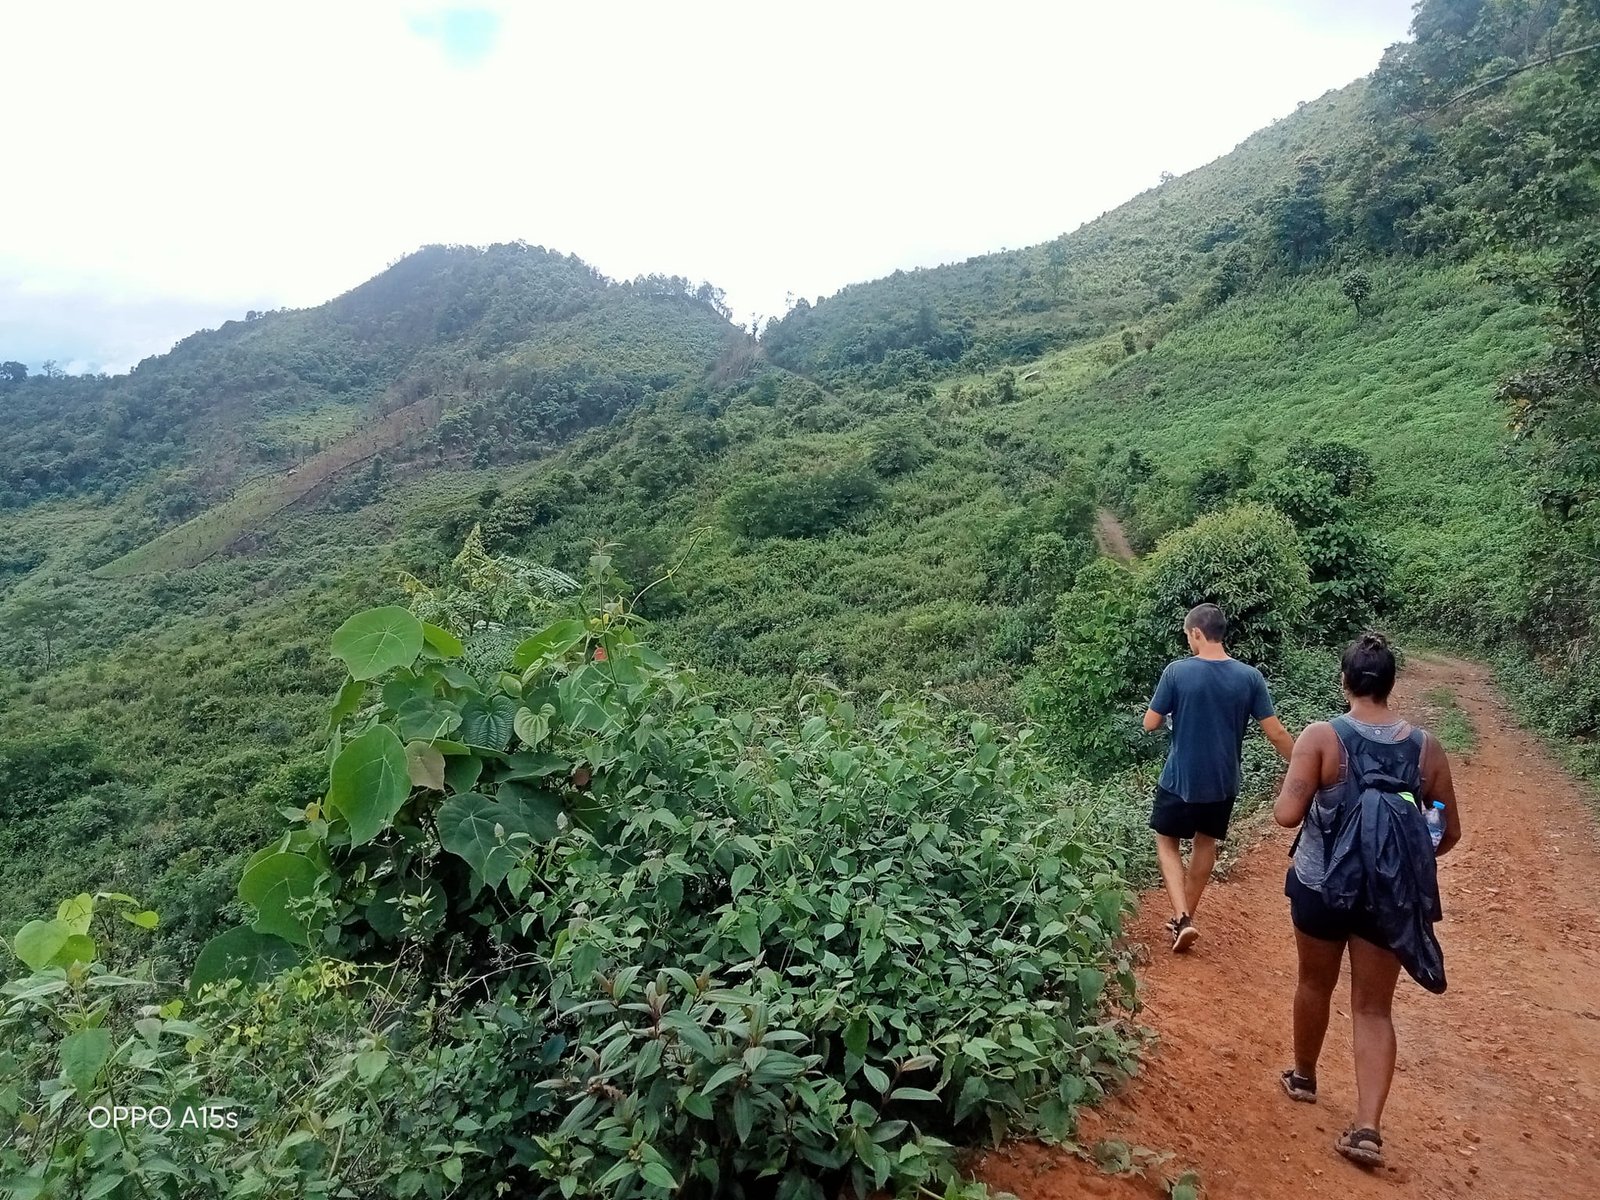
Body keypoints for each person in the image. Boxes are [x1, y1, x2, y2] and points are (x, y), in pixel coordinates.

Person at [1272, 632, 1461, 1170]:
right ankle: (1367, 1129)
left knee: (1313, 981)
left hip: (1320, 885)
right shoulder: (1425, 748)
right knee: (1374, 1008)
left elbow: (1287, 816)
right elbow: (1447, 832)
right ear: (1391, 685)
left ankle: (1304, 1076)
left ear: (1345, 681)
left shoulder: (1322, 737)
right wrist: (1397, 859)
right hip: (1388, 899)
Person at [1143, 603, 1294, 952]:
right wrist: (1300, 764)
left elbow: (1150, 722)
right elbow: (1275, 732)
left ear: (1196, 632)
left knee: (1167, 842)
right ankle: (1184, 919)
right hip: (1224, 781)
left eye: (1188, 636)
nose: (1188, 642)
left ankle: (1182, 916)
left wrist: (1170, 719)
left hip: (1180, 778)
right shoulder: (1249, 677)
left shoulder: (1177, 673)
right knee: (1205, 844)